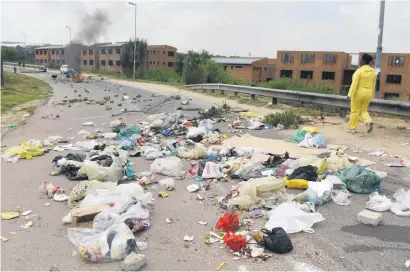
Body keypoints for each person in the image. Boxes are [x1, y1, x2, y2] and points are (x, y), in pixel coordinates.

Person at [347, 53, 377, 133]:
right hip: (369, 94)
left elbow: (354, 84)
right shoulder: (373, 72)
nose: (360, 61)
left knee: (354, 111)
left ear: (363, 61)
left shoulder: (359, 71)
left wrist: (349, 95)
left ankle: (352, 128)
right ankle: (368, 121)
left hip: (358, 94)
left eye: (360, 59)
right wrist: (372, 95)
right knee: (363, 110)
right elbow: (374, 85)